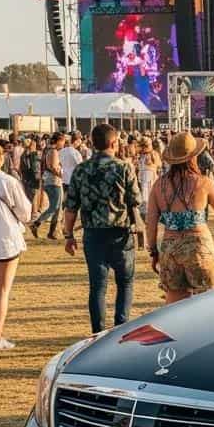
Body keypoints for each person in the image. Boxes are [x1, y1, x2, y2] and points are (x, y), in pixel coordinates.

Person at [62, 124, 143, 334]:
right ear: (114, 142)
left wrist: (68, 235)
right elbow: (135, 201)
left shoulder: (81, 170)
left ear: (92, 143)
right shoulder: (124, 167)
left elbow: (71, 207)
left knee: (97, 287)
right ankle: (120, 329)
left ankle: (98, 333)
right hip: (120, 234)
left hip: (93, 235)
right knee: (125, 283)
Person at [145, 132, 214, 304]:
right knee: (209, 306)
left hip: (170, 250)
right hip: (200, 248)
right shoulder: (204, 182)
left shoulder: (158, 186)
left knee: (174, 309)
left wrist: (154, 252)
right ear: (193, 157)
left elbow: (151, 224)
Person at [0, 140, 31, 351]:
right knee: (0, 290)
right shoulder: (7, 181)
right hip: (5, 240)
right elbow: (24, 212)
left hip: (3, 239)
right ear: (0, 158)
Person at [31, 131, 65, 239]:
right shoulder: (54, 151)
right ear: (59, 141)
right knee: (54, 207)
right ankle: (36, 224)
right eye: (63, 142)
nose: (63, 144)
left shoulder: (47, 149)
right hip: (54, 181)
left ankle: (52, 232)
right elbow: (53, 167)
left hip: (49, 180)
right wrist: (62, 174)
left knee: (57, 207)